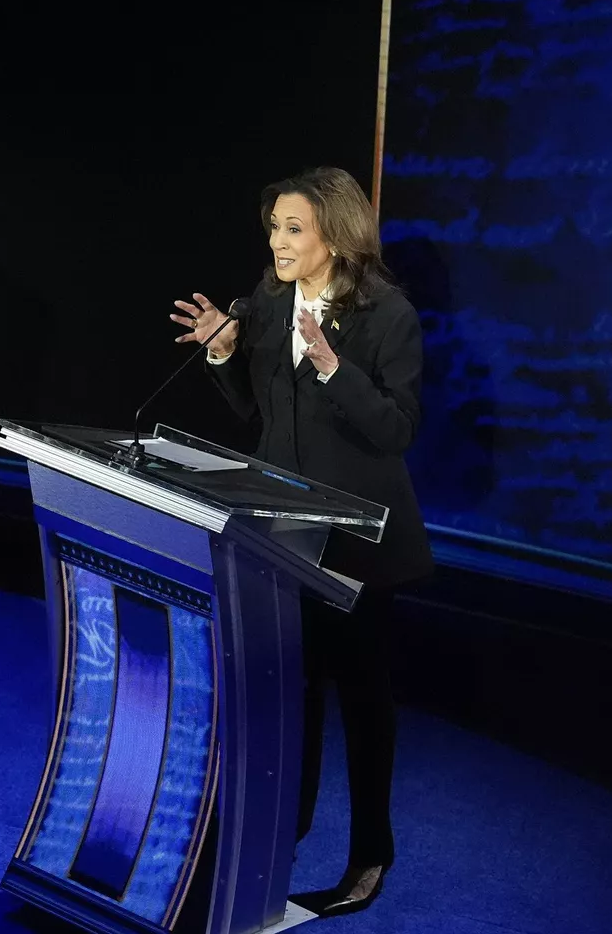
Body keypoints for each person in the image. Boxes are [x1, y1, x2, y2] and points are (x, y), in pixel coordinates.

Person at [169, 166, 431, 919]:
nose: (279, 242)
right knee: (293, 690)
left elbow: (397, 428)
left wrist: (331, 366)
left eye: (294, 229)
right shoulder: (270, 302)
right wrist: (223, 349)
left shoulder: (388, 316)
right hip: (282, 533)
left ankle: (370, 854)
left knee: (361, 698)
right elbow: (262, 415)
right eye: (275, 228)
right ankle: (285, 830)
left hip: (359, 541)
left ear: (336, 236)